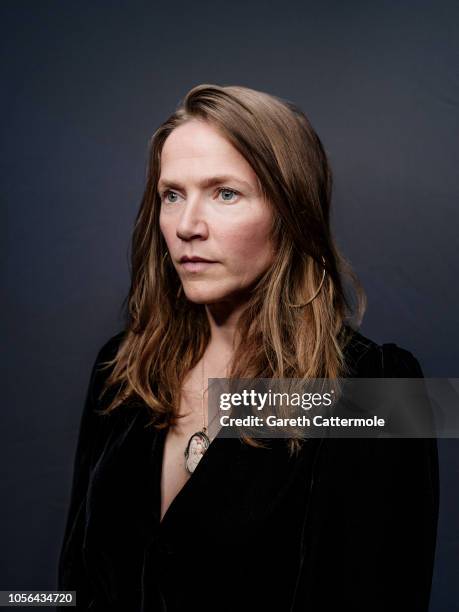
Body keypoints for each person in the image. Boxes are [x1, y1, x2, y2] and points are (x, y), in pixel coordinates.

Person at [57, 84, 439, 611]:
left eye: (225, 193)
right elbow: (71, 585)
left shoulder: (371, 391)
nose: (188, 227)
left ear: (290, 209)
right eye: (173, 194)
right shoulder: (120, 369)